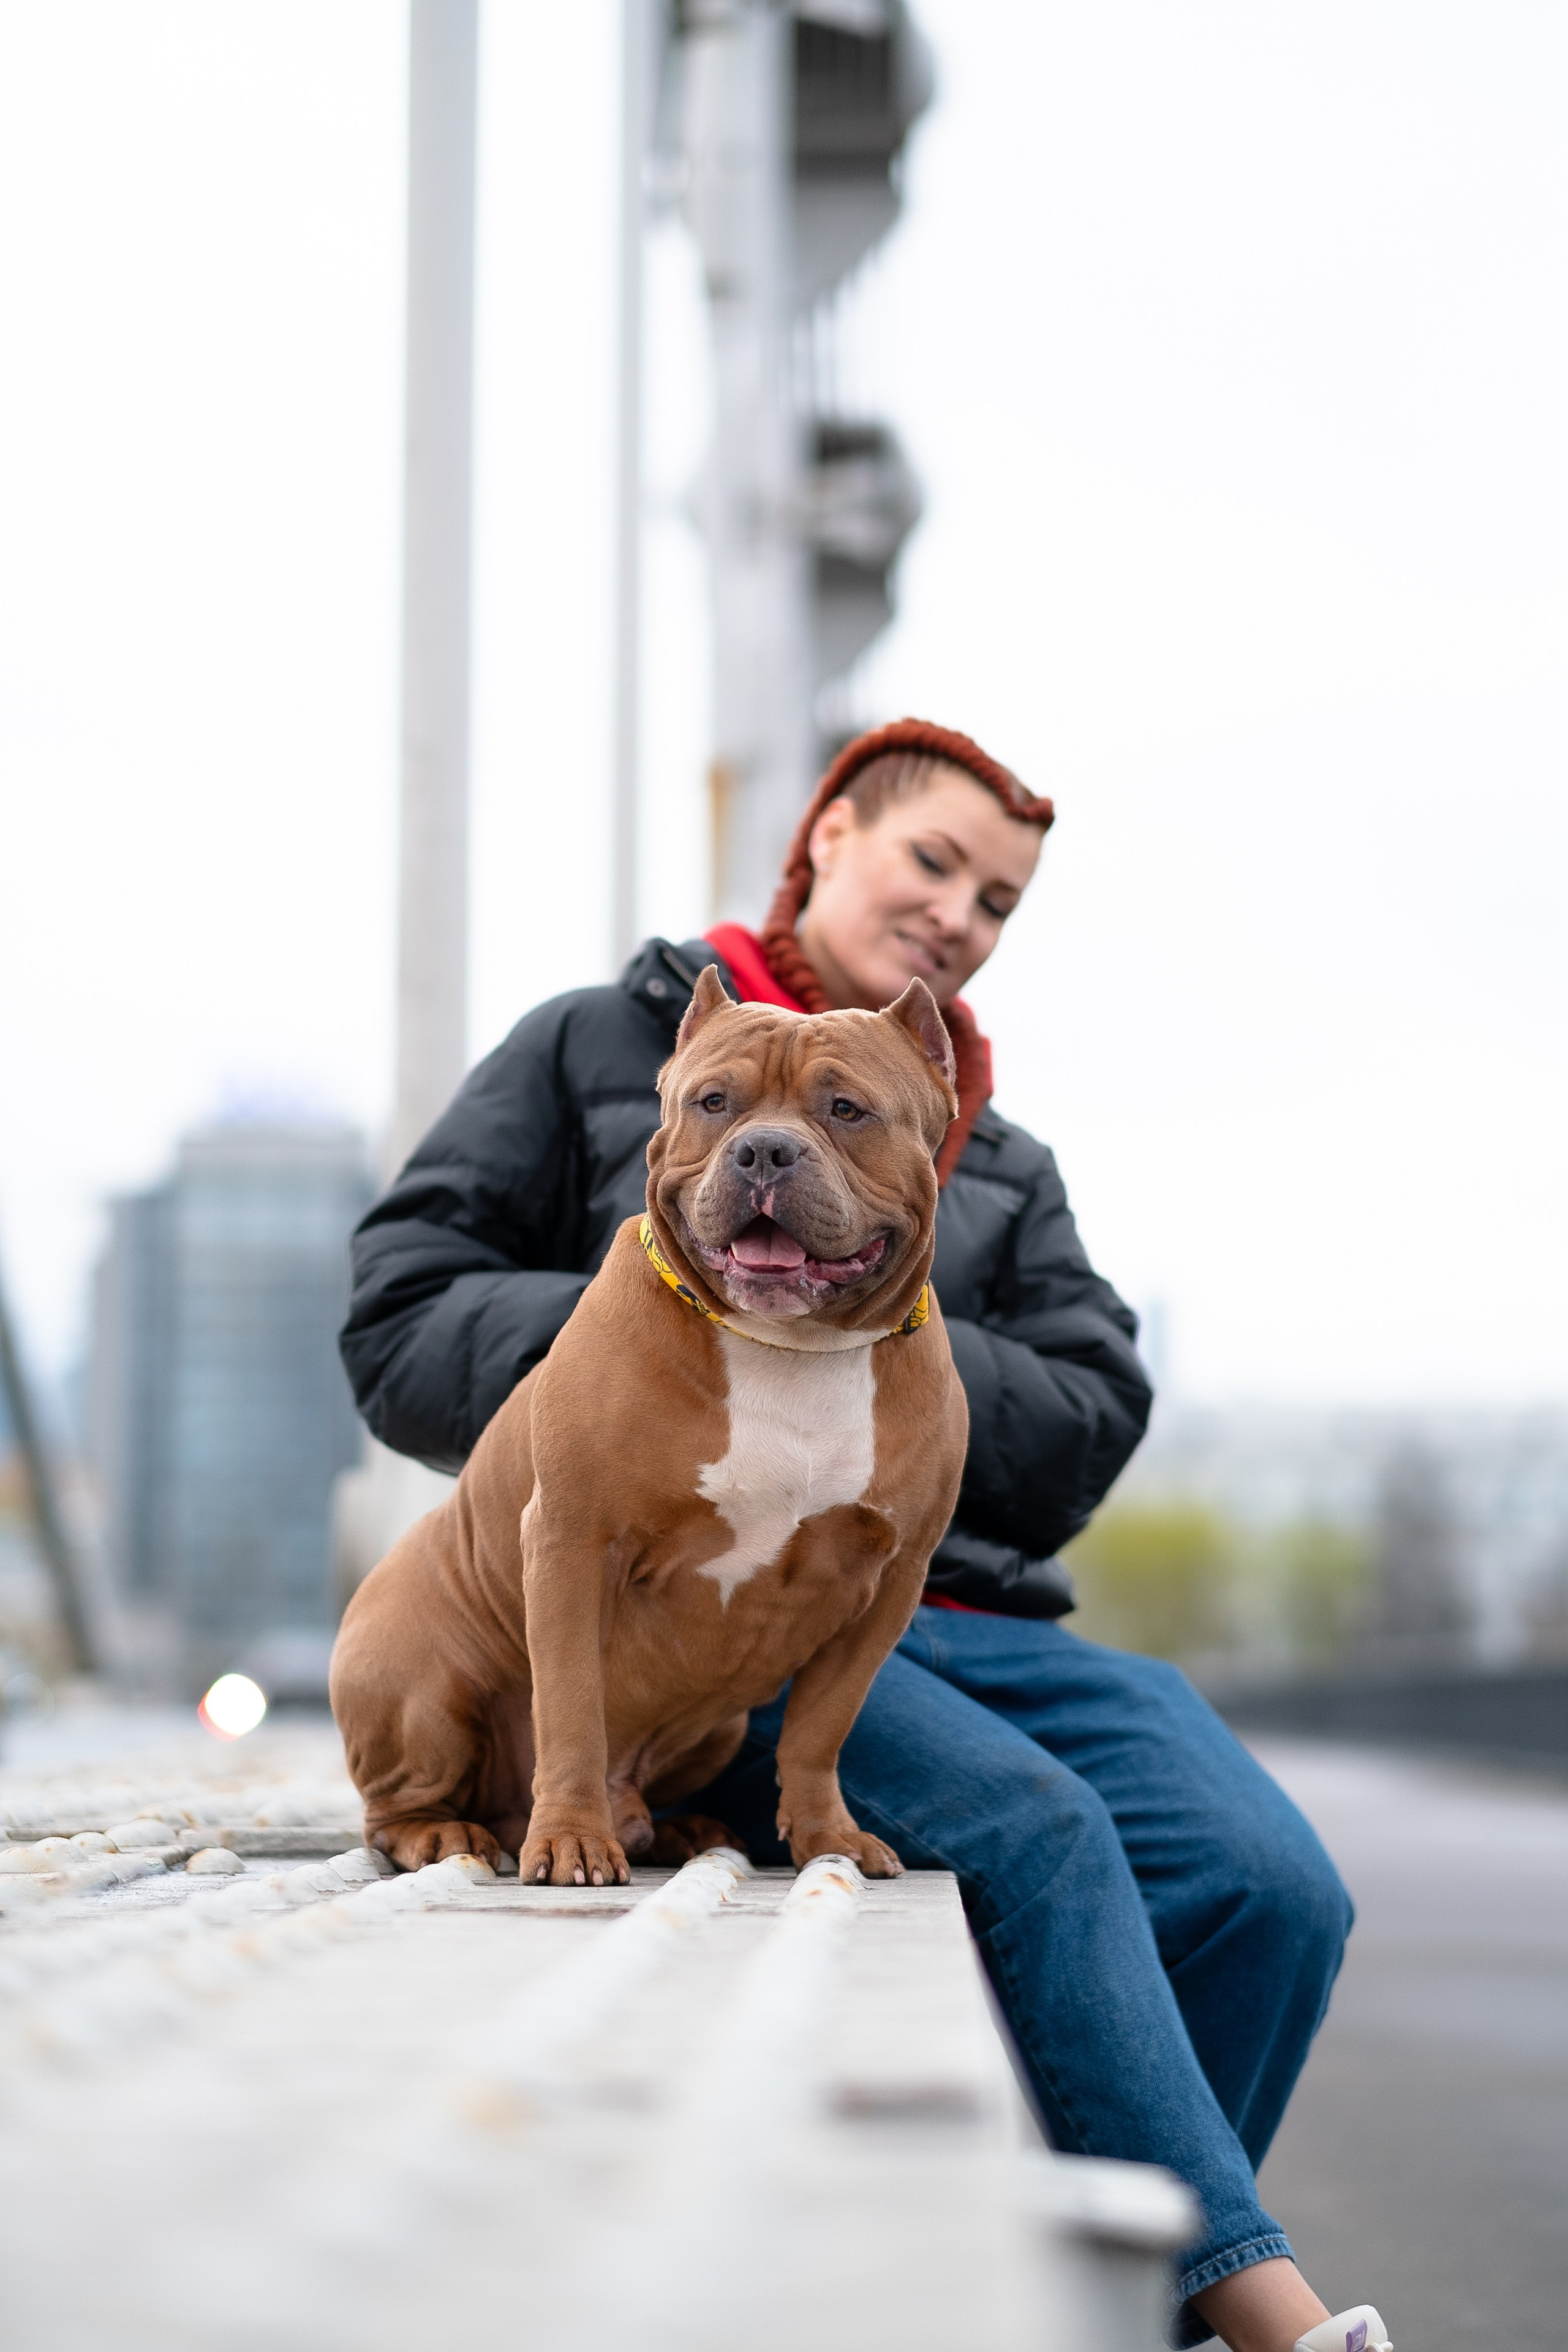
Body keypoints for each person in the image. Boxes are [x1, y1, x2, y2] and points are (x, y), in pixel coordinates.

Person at [341, 718, 1368, 2352]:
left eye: (1002, 901)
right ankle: (1255, 2309)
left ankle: (1093, 2293)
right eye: (933, 860)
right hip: (714, 1620)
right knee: (1040, 1837)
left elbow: (1095, 1415)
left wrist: (888, 1342)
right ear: (822, 840)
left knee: (1266, 1881)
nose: (960, 911)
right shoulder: (595, 1054)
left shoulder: (996, 1153)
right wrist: (682, 1341)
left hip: (957, 1601)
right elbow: (398, 1324)